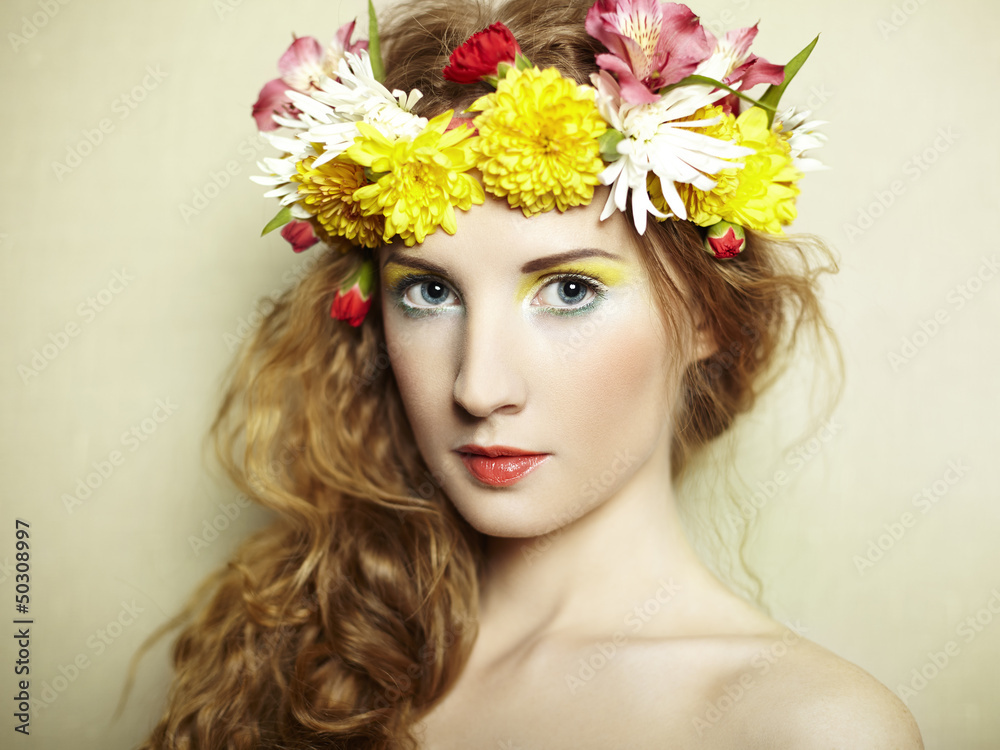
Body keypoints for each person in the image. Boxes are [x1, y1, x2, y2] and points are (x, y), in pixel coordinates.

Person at [134, 0, 924, 747]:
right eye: (430, 291)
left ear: (707, 318)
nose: (478, 388)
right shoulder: (305, 656)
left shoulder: (807, 729)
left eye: (570, 290)